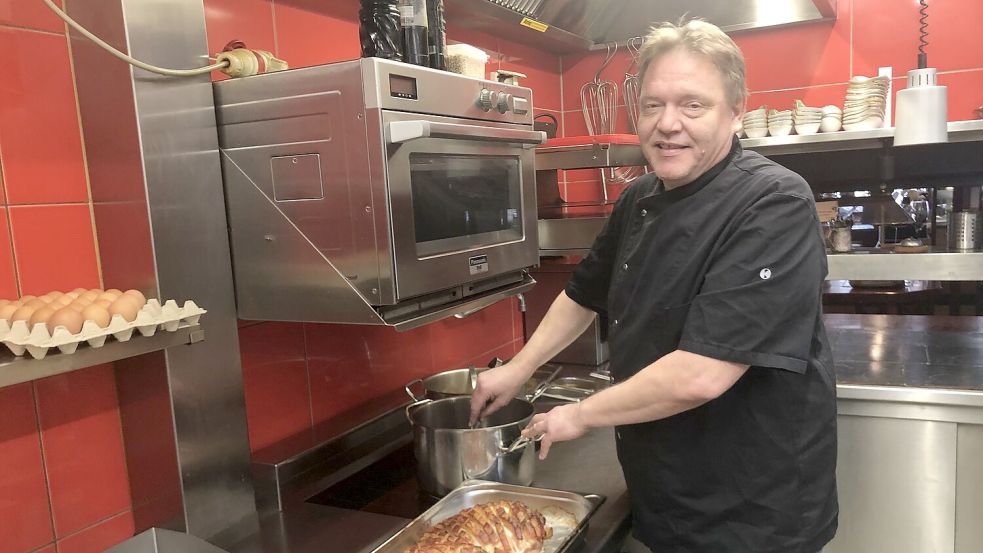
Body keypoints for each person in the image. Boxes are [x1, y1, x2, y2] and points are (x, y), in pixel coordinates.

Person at [469, 18, 838, 553]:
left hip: (752, 503)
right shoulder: (640, 195)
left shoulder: (774, 203)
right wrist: (520, 369)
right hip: (666, 483)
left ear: (735, 113)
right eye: (651, 105)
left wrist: (579, 414)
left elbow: (702, 375)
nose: (668, 125)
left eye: (693, 105)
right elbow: (582, 294)